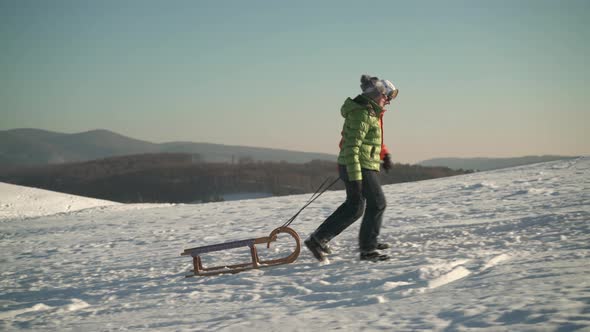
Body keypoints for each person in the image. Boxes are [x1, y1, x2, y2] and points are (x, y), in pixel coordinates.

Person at [305, 74, 398, 262]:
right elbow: (351, 147)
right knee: (377, 203)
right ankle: (367, 249)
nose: (387, 101)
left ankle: (318, 239)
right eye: (385, 96)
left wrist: (383, 154)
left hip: (359, 165)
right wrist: (355, 177)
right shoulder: (362, 114)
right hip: (357, 166)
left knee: (355, 207)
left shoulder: (370, 113)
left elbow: (370, 141)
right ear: (376, 95)